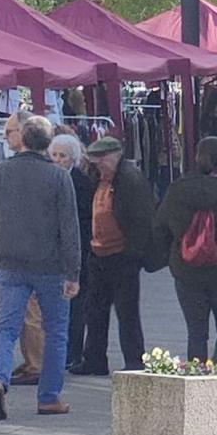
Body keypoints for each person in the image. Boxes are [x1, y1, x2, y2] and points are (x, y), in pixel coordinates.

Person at [0, 115, 80, 420]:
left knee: (6, 329)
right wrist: (72, 272)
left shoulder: (0, 172)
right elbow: (69, 227)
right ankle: (49, 396)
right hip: (50, 265)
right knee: (56, 331)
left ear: (22, 139)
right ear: (48, 144)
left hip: (10, 261)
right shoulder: (59, 177)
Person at [70, 137, 156, 376]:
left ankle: (134, 360)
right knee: (94, 310)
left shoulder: (130, 179)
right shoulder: (100, 178)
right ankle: (94, 360)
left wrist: (133, 255)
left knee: (126, 312)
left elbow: (142, 220)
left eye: (100, 162)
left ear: (113, 157)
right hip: (99, 254)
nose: (97, 167)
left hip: (122, 256)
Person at [154, 137, 217, 361]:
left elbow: (160, 228)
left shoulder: (179, 189)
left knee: (196, 333)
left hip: (187, 270)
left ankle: (198, 380)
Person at [2, 111, 44, 388]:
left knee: (32, 314)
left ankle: (37, 364)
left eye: (9, 131)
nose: (5, 137)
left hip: (32, 253)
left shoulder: (30, 167)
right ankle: (33, 361)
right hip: (25, 251)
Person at [49, 134, 94, 368]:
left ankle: (73, 352)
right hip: (54, 253)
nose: (58, 160)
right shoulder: (49, 180)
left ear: (73, 159)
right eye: (54, 155)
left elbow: (84, 222)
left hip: (78, 252)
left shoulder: (81, 183)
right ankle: (61, 352)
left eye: (63, 156)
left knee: (76, 305)